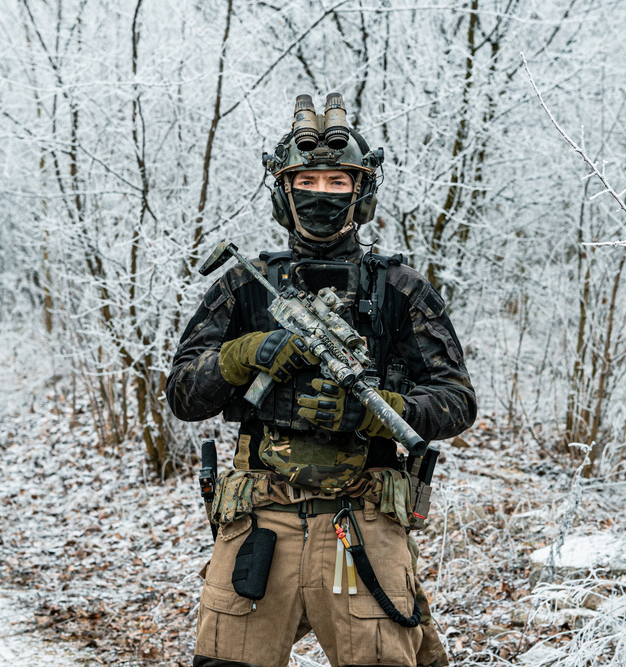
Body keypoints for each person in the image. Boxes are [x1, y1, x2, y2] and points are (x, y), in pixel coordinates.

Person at [166, 92, 476, 667]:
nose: (322, 195)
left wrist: (376, 409)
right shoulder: (245, 286)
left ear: (361, 194)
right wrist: (242, 356)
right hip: (260, 517)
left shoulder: (399, 289)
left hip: (362, 519)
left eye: (338, 183)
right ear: (284, 193)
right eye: (307, 181)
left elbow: (456, 400)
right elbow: (183, 393)